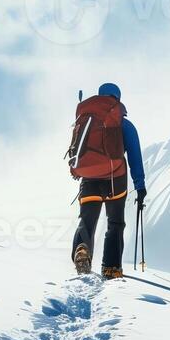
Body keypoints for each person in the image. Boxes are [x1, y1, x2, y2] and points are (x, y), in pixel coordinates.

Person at [67, 82, 147, 279]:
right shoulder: (123, 124)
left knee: (87, 221)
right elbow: (135, 156)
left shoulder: (86, 119)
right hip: (115, 180)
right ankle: (111, 268)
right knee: (115, 223)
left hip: (89, 178)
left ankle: (82, 249)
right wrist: (140, 185)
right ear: (117, 99)